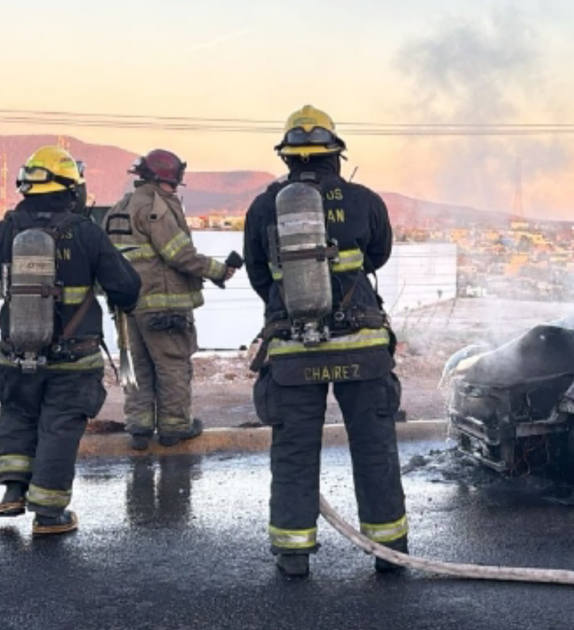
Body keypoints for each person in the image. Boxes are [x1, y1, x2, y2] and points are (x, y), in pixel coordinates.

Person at [244, 105, 405, 577]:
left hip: (294, 350)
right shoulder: (365, 200)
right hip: (362, 348)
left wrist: (291, 304)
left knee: (294, 450)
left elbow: (258, 276)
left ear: (288, 157)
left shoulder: (262, 207)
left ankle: (293, 555)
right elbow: (378, 256)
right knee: (374, 447)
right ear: (335, 154)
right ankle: (389, 551)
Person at [0, 146, 141, 535]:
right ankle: (49, 514)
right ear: (71, 189)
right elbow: (126, 288)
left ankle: (12, 490)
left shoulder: (2, 231)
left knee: (18, 416)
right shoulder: (87, 233)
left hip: (15, 355)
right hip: (72, 363)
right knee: (59, 427)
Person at [103, 150, 234, 450]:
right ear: (163, 180)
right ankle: (174, 427)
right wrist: (217, 271)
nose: (175, 190)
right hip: (163, 306)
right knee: (172, 365)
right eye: (174, 184)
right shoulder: (155, 209)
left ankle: (139, 428)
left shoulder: (118, 210)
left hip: (128, 309)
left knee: (138, 368)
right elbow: (179, 254)